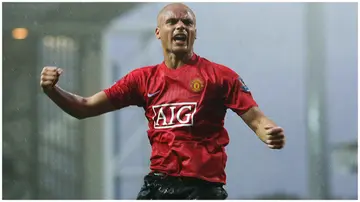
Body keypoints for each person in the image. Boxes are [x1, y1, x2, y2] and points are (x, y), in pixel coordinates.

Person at [40, 3, 285, 200]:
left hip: (202, 189)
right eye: (172, 22)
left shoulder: (221, 77)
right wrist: (53, 91)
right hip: (158, 186)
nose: (180, 26)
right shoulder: (142, 80)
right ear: (159, 32)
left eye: (187, 22)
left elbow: (257, 120)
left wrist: (269, 133)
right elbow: (84, 107)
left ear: (195, 32)